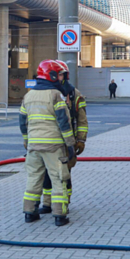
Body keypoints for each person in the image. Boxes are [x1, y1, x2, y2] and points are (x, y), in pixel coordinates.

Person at [20, 60, 77, 227]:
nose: (62, 78)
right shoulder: (55, 95)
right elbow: (64, 123)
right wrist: (70, 144)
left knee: (34, 178)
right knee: (59, 179)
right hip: (54, 147)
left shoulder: (28, 95)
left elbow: (22, 122)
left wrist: (26, 140)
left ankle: (30, 213)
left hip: (33, 147)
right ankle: (60, 216)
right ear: (51, 75)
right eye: (60, 75)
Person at [40, 62, 87, 213]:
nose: (60, 77)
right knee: (46, 174)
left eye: (62, 74)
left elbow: (82, 119)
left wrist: (80, 140)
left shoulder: (74, 94)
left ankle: (64, 202)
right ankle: (47, 204)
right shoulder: (44, 93)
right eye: (58, 74)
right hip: (48, 141)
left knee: (64, 174)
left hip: (67, 142)